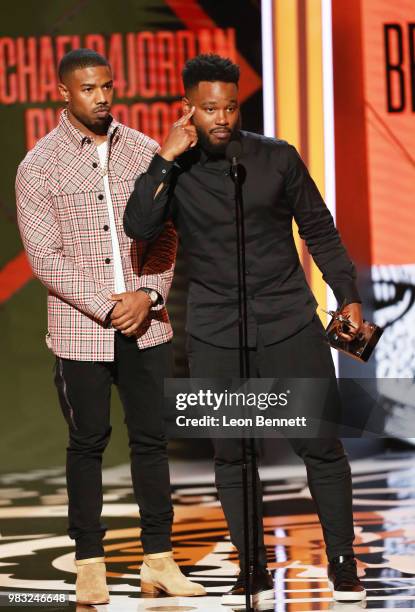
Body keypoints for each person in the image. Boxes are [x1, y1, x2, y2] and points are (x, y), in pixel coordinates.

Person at [124, 53, 367, 606]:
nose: (222, 117)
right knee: (233, 454)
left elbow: (319, 230)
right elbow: (139, 226)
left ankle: (343, 561)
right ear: (189, 107)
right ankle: (252, 567)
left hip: (288, 325)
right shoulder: (175, 169)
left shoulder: (274, 158)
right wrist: (165, 156)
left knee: (321, 447)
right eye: (210, 108)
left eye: (231, 106)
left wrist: (346, 295)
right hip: (214, 332)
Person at [15, 49, 205, 605]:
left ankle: (159, 560)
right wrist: (108, 306)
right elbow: (46, 259)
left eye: (107, 86)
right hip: (81, 330)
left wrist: (148, 295)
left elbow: (166, 234)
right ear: (63, 94)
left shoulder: (145, 151)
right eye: (89, 89)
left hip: (146, 325)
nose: (101, 97)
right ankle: (90, 564)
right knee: (88, 442)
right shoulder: (39, 165)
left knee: (152, 441)